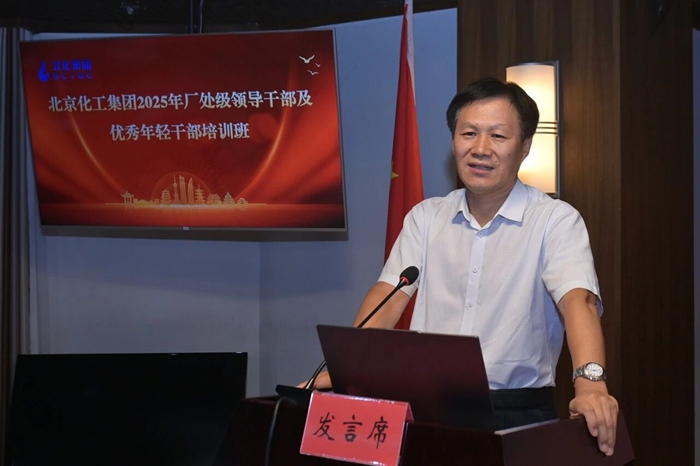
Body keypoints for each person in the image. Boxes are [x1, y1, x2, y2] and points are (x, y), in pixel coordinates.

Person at [307, 77, 618, 456]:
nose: (480, 148)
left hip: (515, 412)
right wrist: (349, 370)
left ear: (525, 146)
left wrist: (590, 384)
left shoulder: (554, 220)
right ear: (453, 140)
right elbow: (388, 295)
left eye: (498, 136)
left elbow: (578, 301)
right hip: (426, 407)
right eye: (468, 133)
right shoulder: (426, 217)